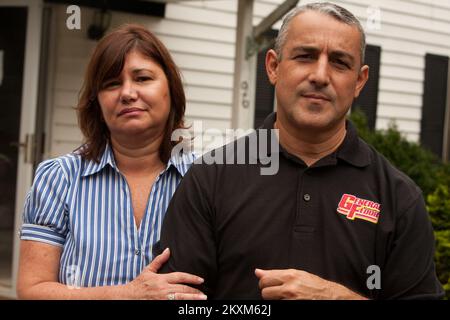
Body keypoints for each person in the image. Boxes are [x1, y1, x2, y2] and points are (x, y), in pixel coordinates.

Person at [158, 3, 444, 299]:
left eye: (340, 62)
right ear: (273, 66)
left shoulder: (398, 199)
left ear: (359, 81)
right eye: (305, 56)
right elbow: (178, 300)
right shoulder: (212, 179)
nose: (320, 75)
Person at [17, 24, 206, 300]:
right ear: (97, 103)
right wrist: (126, 294)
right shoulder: (58, 178)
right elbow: (32, 289)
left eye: (142, 78)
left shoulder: (204, 179)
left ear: (171, 90)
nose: (127, 93)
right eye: (112, 83)